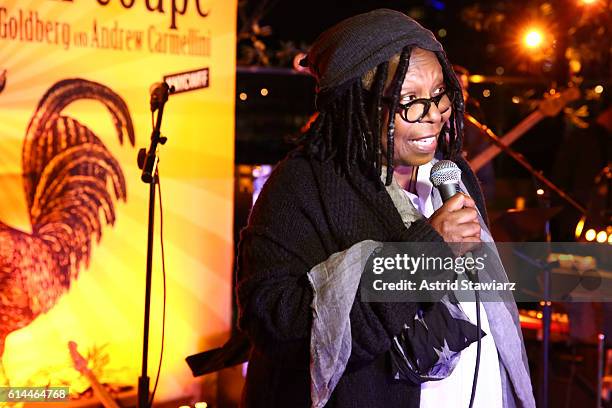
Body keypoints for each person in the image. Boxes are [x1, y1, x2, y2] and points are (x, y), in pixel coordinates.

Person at [236, 9, 535, 408]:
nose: (432, 115)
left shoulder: (451, 174)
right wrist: (427, 254)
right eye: (409, 100)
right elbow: (275, 325)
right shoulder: (301, 187)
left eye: (439, 94)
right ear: (354, 103)